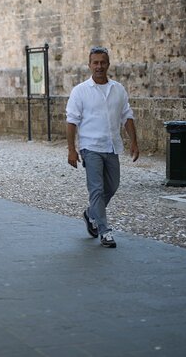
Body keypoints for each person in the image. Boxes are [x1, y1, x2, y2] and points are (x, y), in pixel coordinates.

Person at [66, 46, 139, 248]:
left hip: (112, 146)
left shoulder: (118, 89)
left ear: (108, 64)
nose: (99, 66)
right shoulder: (80, 91)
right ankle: (105, 231)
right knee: (96, 189)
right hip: (90, 147)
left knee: (112, 186)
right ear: (89, 65)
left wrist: (134, 141)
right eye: (95, 62)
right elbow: (71, 121)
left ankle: (91, 214)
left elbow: (127, 116)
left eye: (102, 62)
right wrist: (71, 149)